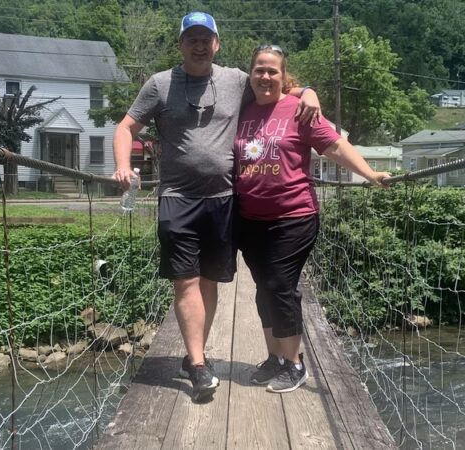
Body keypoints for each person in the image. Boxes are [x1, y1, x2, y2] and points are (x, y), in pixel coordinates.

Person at [112, 13, 322, 403]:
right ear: (180, 44)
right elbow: (126, 127)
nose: (198, 44)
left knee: (209, 282)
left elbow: (271, 85)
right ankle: (197, 364)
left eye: (205, 38)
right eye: (191, 38)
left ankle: (198, 356)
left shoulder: (234, 80)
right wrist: (124, 165)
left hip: (224, 200)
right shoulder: (159, 84)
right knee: (185, 280)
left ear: (217, 44)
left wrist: (307, 91)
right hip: (177, 196)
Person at [234, 44, 391, 393]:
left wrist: (369, 174)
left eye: (273, 70)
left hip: (294, 216)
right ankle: (275, 358)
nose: (265, 76)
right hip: (249, 220)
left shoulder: (299, 109)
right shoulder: (242, 109)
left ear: (283, 75)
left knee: (279, 286)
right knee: (264, 290)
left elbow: (334, 146)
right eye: (259, 69)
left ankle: (295, 363)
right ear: (251, 74)